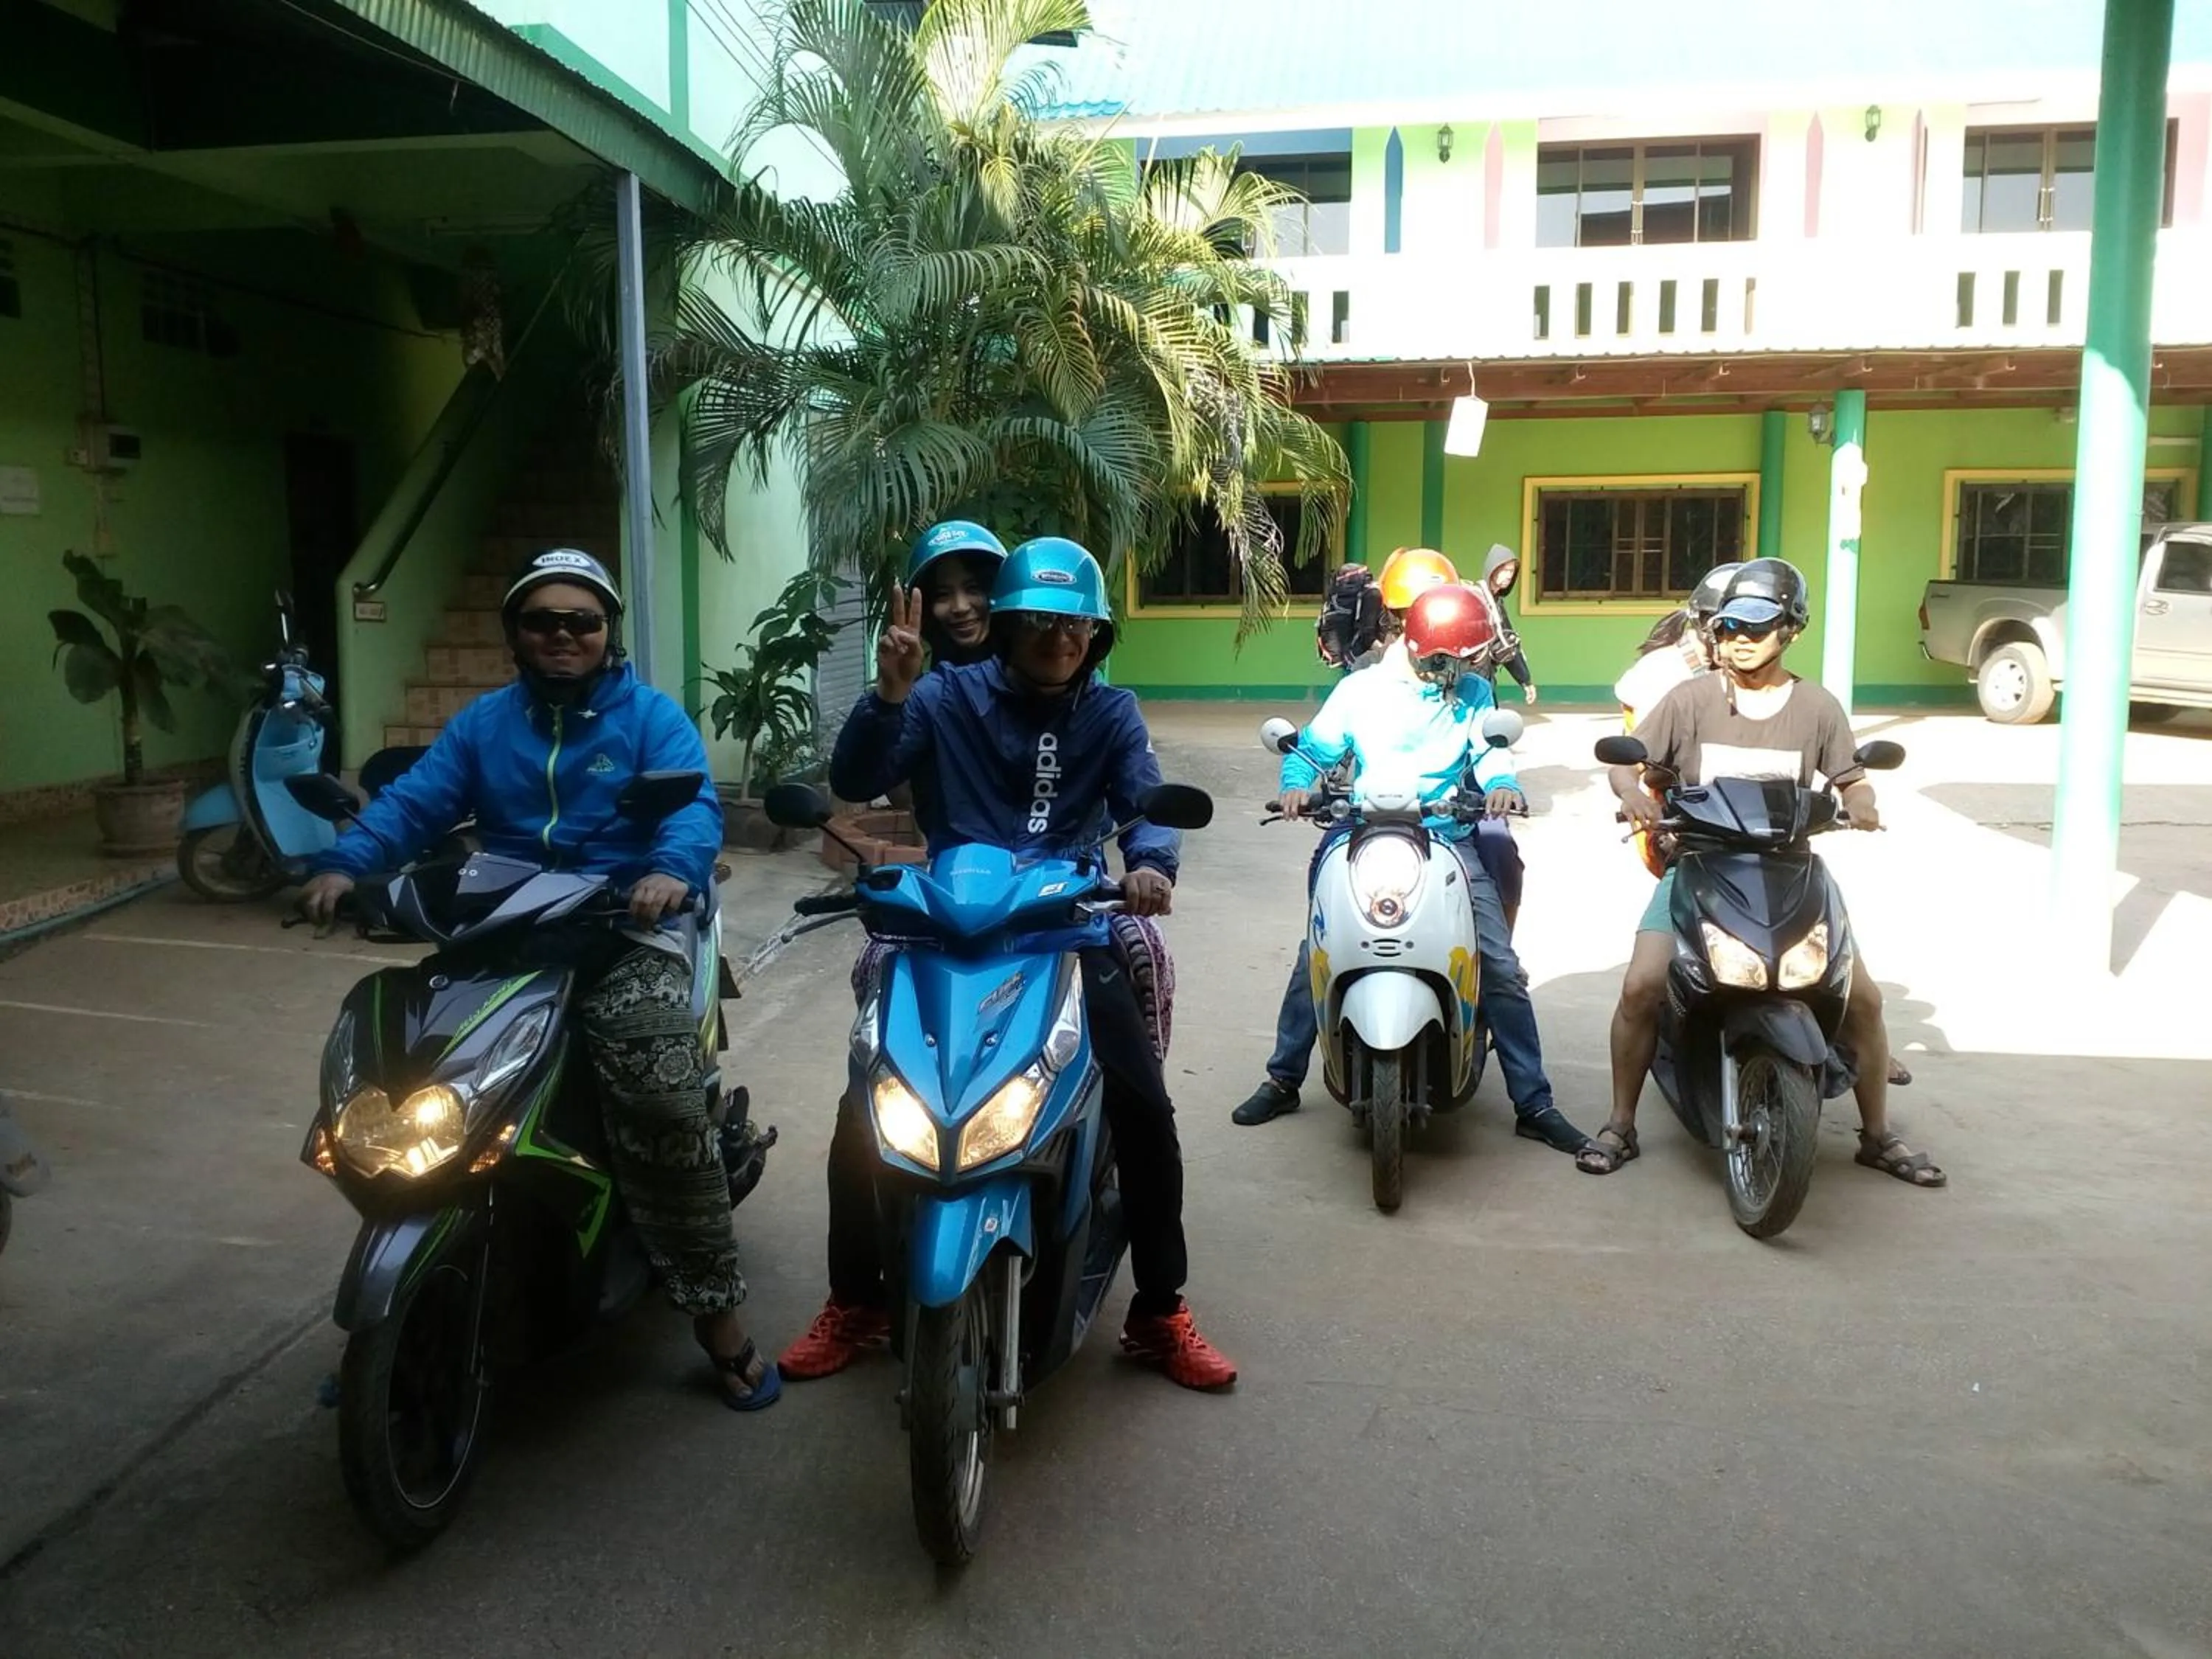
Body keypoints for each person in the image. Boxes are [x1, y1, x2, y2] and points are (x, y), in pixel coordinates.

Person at [296, 549, 780, 1410]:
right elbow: (414, 806)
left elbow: (694, 807)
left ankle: (719, 1322)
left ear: (607, 634)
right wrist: (346, 864)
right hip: (507, 927)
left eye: (582, 621)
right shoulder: (485, 724)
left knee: (661, 1101)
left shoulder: (649, 720)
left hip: (623, 931)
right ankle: (402, 1304)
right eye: (543, 621)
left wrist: (669, 870)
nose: (563, 635)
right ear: (516, 634)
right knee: (408, 1074)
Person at [792, 536, 1237, 1392]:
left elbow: (1144, 804)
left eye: (1077, 626)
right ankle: (856, 1301)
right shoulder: (943, 696)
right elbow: (856, 776)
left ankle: (1158, 1311)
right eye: (1038, 622)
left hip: (1065, 930)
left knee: (1144, 1108)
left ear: (1097, 636)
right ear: (1006, 625)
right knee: (865, 1113)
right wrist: (889, 691)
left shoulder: (1112, 713)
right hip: (946, 926)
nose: (1059, 639)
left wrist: (1149, 864)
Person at [1578, 557, 1945, 1188]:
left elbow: (1852, 776)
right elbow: (1629, 763)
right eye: (1728, 628)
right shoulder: (1690, 700)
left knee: (1864, 1000)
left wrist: (1863, 806)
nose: (1740, 640)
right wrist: (1632, 793)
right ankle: (1620, 1123)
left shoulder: (1816, 707)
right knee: (1641, 986)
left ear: (1791, 629)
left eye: (1757, 627)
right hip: (1699, 867)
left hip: (1793, 871)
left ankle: (1878, 1135)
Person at [1231, 583, 1590, 1156]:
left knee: (1496, 962)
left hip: (1445, 835)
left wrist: (1501, 785)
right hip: (1360, 830)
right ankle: (1283, 1078)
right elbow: (1315, 751)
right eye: (1457, 658)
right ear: (1426, 647)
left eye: (1470, 660)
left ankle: (1534, 1101)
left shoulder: (1472, 694)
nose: (1465, 669)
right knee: (1318, 952)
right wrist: (1296, 788)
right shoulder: (1362, 690)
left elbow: (1491, 750)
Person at [1478, 544, 1539, 706]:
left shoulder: (1496, 601)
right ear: (1493, 569)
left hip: (1486, 675)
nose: (1508, 576)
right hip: (1472, 676)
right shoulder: (1477, 598)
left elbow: (1507, 641)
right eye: (1504, 570)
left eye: (1511, 572)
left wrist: (1525, 680)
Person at [1315, 562, 1386, 673]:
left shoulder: (1339, 596)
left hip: (1347, 660)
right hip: (1361, 660)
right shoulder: (1373, 594)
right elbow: (1367, 635)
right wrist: (1387, 652)